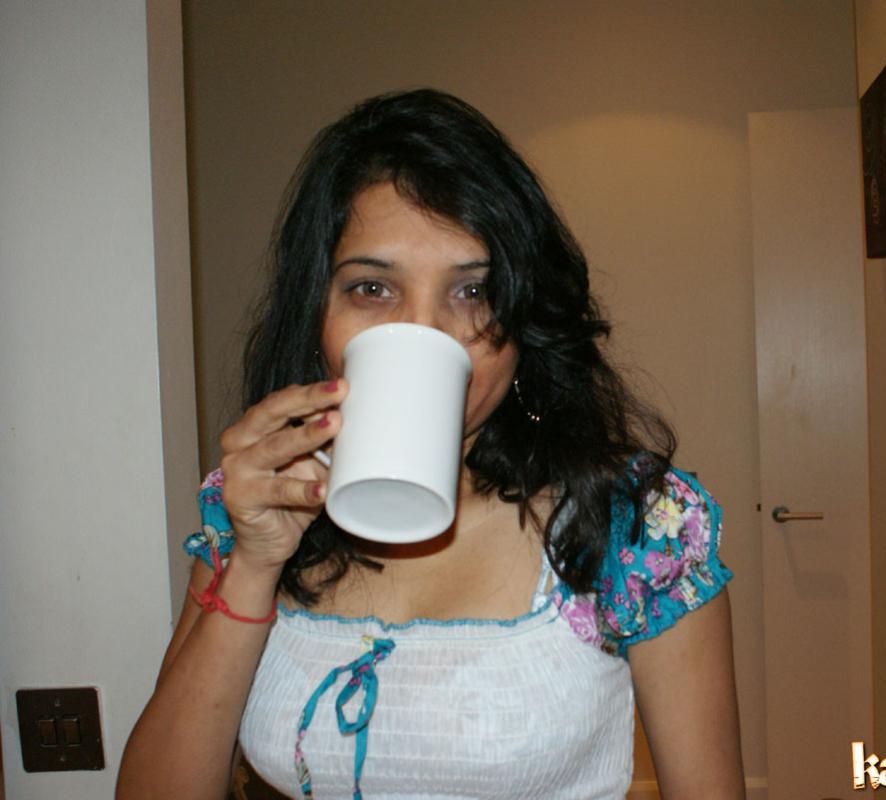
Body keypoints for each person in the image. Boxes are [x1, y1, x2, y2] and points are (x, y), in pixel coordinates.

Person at [118, 89, 743, 800]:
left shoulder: (637, 524)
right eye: (372, 288)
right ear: (316, 314)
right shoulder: (252, 504)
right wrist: (255, 563)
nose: (424, 331)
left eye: (472, 292)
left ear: (524, 317)